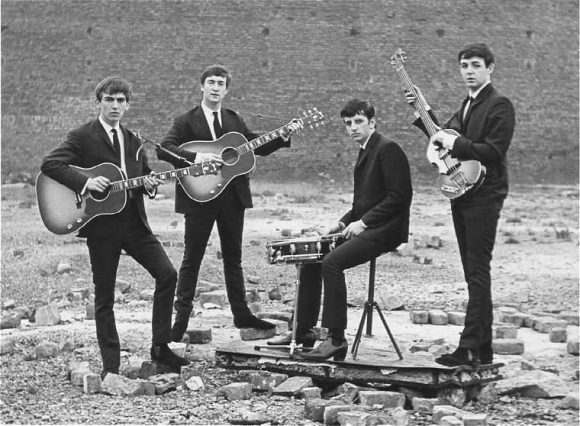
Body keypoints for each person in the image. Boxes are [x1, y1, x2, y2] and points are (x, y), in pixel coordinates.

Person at [41, 77, 189, 378]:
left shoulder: (135, 140)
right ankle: (111, 365)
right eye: (110, 99)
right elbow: (51, 164)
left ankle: (160, 346)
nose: (115, 106)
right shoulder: (83, 136)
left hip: (135, 225)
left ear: (127, 105)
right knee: (105, 296)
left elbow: (144, 175)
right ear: (99, 102)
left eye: (121, 100)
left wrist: (149, 185)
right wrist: (86, 182)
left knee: (167, 274)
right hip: (102, 229)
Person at [157, 64, 302, 340]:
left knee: (233, 258)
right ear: (202, 86)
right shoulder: (185, 121)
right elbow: (163, 148)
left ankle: (241, 314)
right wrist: (196, 158)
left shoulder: (234, 120)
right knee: (192, 258)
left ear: (226, 89)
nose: (215, 87)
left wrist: (282, 135)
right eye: (211, 82)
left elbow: (253, 146)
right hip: (199, 198)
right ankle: (180, 320)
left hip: (232, 197)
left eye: (221, 83)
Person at [269, 99, 413, 361]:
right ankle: (302, 333)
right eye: (348, 123)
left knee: (332, 263)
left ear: (372, 122)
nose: (353, 127)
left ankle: (336, 339)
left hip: (387, 229)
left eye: (358, 122)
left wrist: (364, 223)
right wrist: (342, 223)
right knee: (313, 258)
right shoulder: (365, 150)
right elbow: (362, 204)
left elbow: (399, 197)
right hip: (368, 225)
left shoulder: (388, 148)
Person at [405, 43, 516, 366]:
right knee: (472, 271)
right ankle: (482, 349)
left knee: (477, 269)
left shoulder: (500, 105)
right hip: (462, 190)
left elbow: (494, 151)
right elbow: (444, 137)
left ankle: (469, 348)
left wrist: (457, 142)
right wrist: (421, 111)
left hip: (486, 193)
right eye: (464, 65)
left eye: (476, 65)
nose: (469, 70)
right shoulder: (467, 105)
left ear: (490, 68)